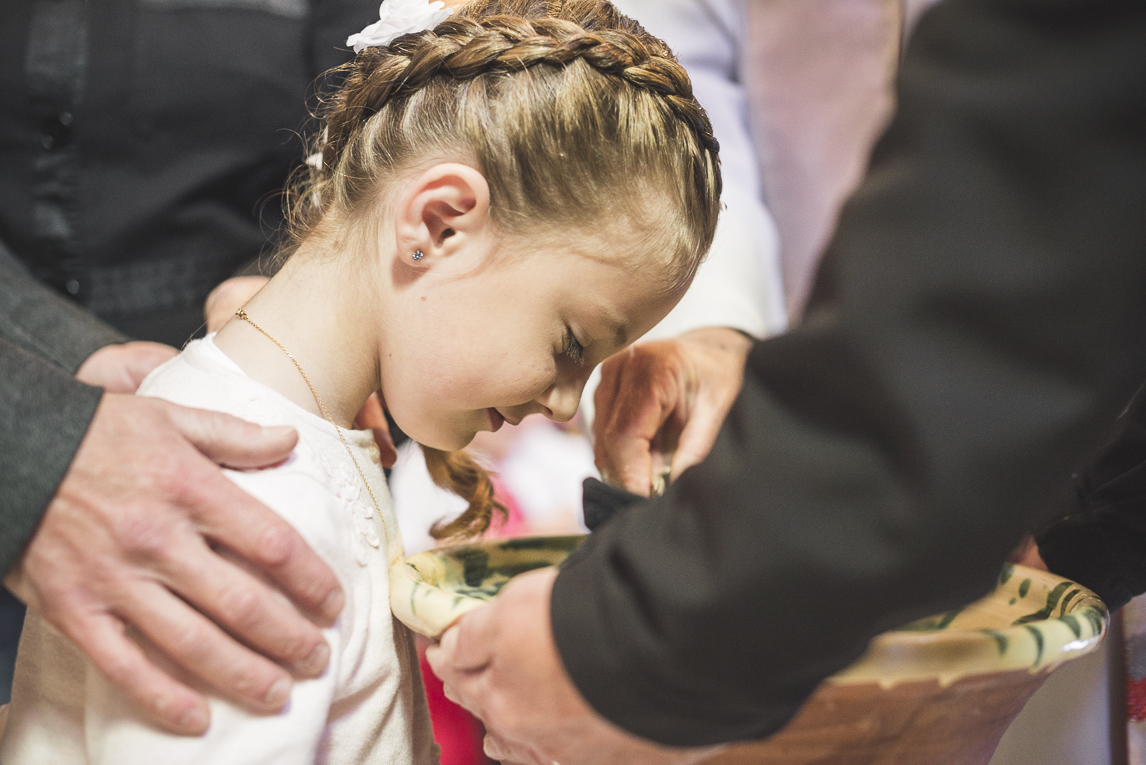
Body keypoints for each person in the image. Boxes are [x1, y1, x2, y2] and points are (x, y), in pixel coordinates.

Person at [0, 0, 724, 760]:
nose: (564, 402)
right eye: (572, 342)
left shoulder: (307, 441)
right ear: (439, 223)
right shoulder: (255, 500)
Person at [425, 0, 1146, 764]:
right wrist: (717, 317)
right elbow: (683, 47)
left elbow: (1058, 146)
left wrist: (640, 637)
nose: (562, 402)